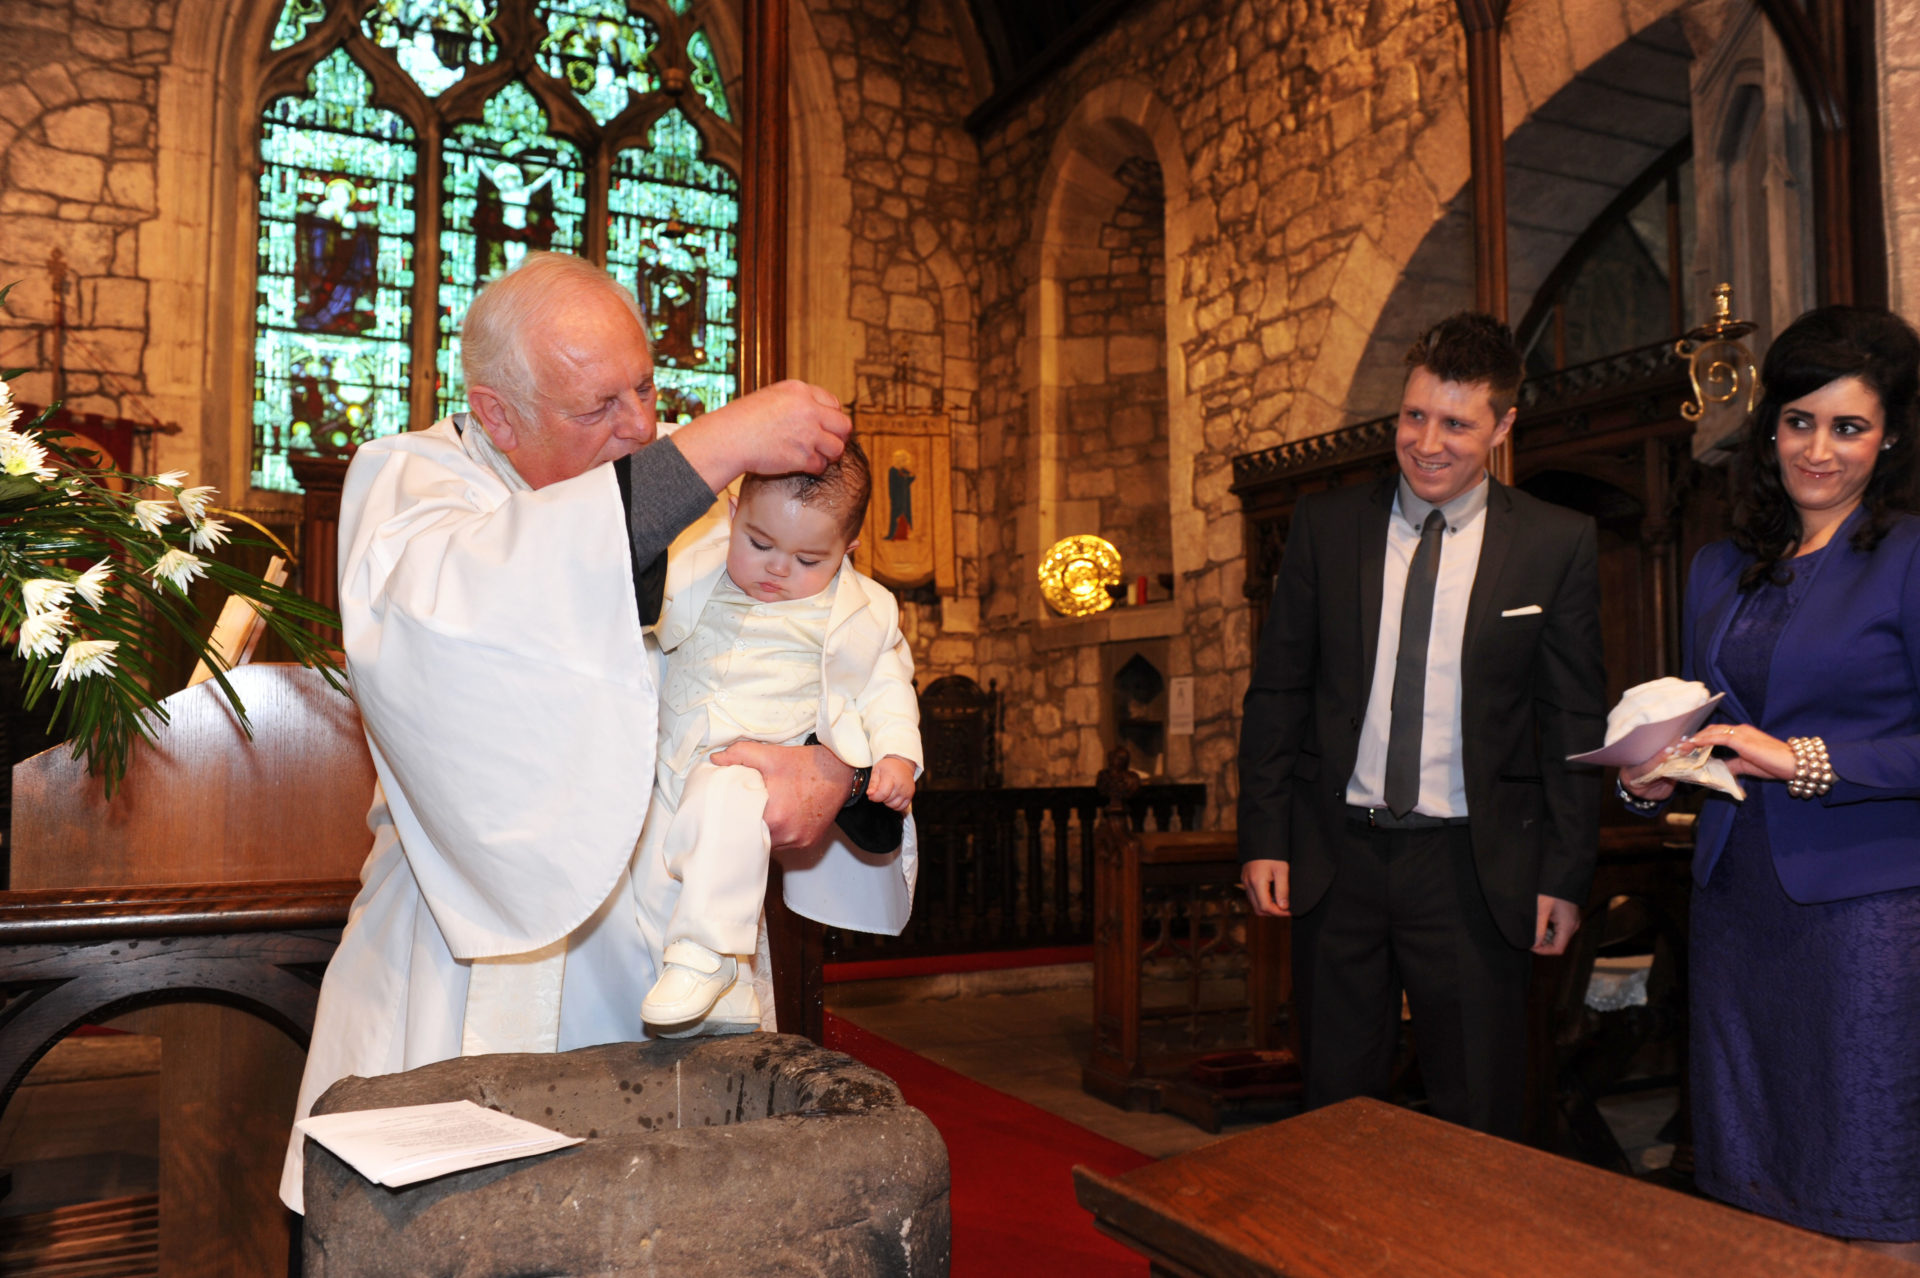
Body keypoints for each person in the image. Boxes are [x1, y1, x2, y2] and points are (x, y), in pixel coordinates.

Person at [279, 252, 914, 1212]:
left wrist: (837, 769)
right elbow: (482, 606)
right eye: (598, 408)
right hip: (458, 964)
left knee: (675, 1231)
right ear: (498, 415)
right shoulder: (412, 484)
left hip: (666, 948)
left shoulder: (701, 509)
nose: (642, 427)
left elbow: (841, 639)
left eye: (647, 388)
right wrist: (722, 440)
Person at [1237, 311, 1605, 1138]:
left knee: (1481, 1111)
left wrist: (1564, 874)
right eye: (1413, 416)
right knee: (1333, 1111)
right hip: (1338, 858)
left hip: (1477, 868)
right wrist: (1264, 833)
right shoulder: (1327, 528)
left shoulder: (1556, 542)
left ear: (1503, 426)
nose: (1426, 442)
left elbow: (1571, 723)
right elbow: (1279, 693)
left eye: (1456, 423)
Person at [1621, 306, 1920, 1258]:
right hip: (1736, 901)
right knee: (1753, 1174)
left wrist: (1809, 759)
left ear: (1892, 436)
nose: (1819, 451)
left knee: (1863, 1165)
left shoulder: (1911, 557)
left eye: (1849, 427)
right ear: (1770, 429)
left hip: (1864, 911)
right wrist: (1648, 776)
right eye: (1799, 422)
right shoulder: (1719, 569)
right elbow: (1710, 730)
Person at [638, 439, 923, 1034]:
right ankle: (729, 993)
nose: (777, 569)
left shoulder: (863, 611)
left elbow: (885, 685)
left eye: (808, 559)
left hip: (752, 766)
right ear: (734, 511)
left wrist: (898, 756)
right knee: (658, 874)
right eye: (760, 543)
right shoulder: (696, 561)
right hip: (668, 750)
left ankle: (709, 956)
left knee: (722, 836)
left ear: (847, 551)